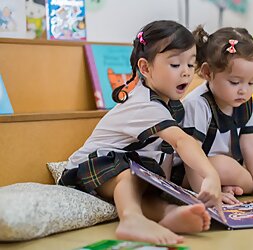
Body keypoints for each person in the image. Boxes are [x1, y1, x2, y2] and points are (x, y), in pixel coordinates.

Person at [58, 20, 225, 245]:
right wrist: (210, 175)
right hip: (88, 169)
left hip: (131, 170)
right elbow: (181, 141)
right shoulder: (145, 104)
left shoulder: (172, 104)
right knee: (129, 173)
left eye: (190, 64)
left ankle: (167, 215)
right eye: (175, 65)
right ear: (145, 68)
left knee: (147, 181)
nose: (186, 73)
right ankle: (131, 218)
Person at [172, 26, 253, 205]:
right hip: (189, 173)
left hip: (227, 167)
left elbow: (251, 144)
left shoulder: (245, 101)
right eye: (235, 82)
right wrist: (203, 193)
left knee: (237, 169)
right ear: (207, 73)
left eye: (252, 82)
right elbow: (191, 155)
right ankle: (250, 182)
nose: (244, 90)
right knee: (228, 167)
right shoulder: (197, 104)